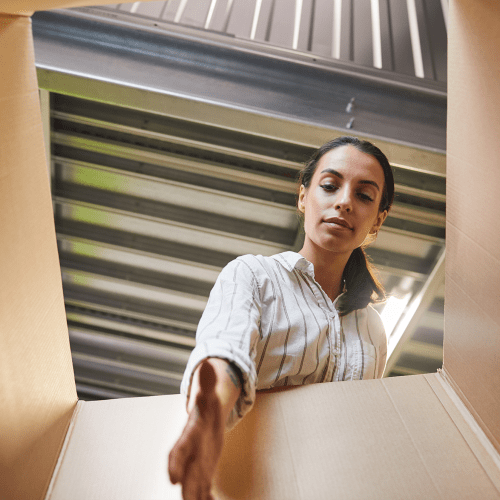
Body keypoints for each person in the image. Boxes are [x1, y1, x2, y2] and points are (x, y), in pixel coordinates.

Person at [168, 136, 395, 500]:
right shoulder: (254, 275)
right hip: (250, 486)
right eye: (329, 186)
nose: (344, 202)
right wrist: (209, 414)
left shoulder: (373, 331)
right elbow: (225, 351)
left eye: (364, 196)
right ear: (303, 196)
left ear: (378, 220)